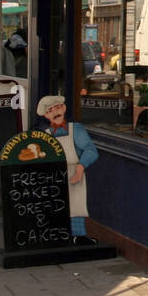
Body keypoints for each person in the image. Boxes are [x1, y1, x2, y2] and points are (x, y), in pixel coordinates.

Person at [36, 94, 100, 245]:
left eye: (57, 107)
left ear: (63, 108)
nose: (55, 112)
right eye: (50, 110)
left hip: (74, 171)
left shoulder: (75, 129)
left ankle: (79, 235)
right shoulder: (44, 135)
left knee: (76, 203)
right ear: (46, 115)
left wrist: (80, 167)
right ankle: (56, 235)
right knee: (54, 204)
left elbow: (91, 150)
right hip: (53, 174)